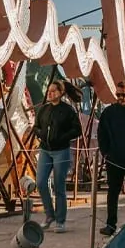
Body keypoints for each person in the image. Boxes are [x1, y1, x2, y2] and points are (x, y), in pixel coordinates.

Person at [95, 81, 125, 236]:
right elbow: (101, 134)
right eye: (118, 95)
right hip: (114, 159)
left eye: (123, 94)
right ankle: (111, 224)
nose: (120, 97)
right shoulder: (108, 113)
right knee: (113, 192)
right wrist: (105, 153)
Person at [33, 80, 79, 233]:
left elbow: (77, 129)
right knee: (40, 182)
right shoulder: (43, 109)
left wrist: (62, 137)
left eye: (53, 91)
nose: (50, 93)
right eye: (49, 91)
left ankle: (60, 220)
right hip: (45, 150)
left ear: (60, 93)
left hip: (61, 151)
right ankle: (49, 215)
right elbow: (36, 126)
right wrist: (41, 135)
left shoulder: (68, 110)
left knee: (59, 186)